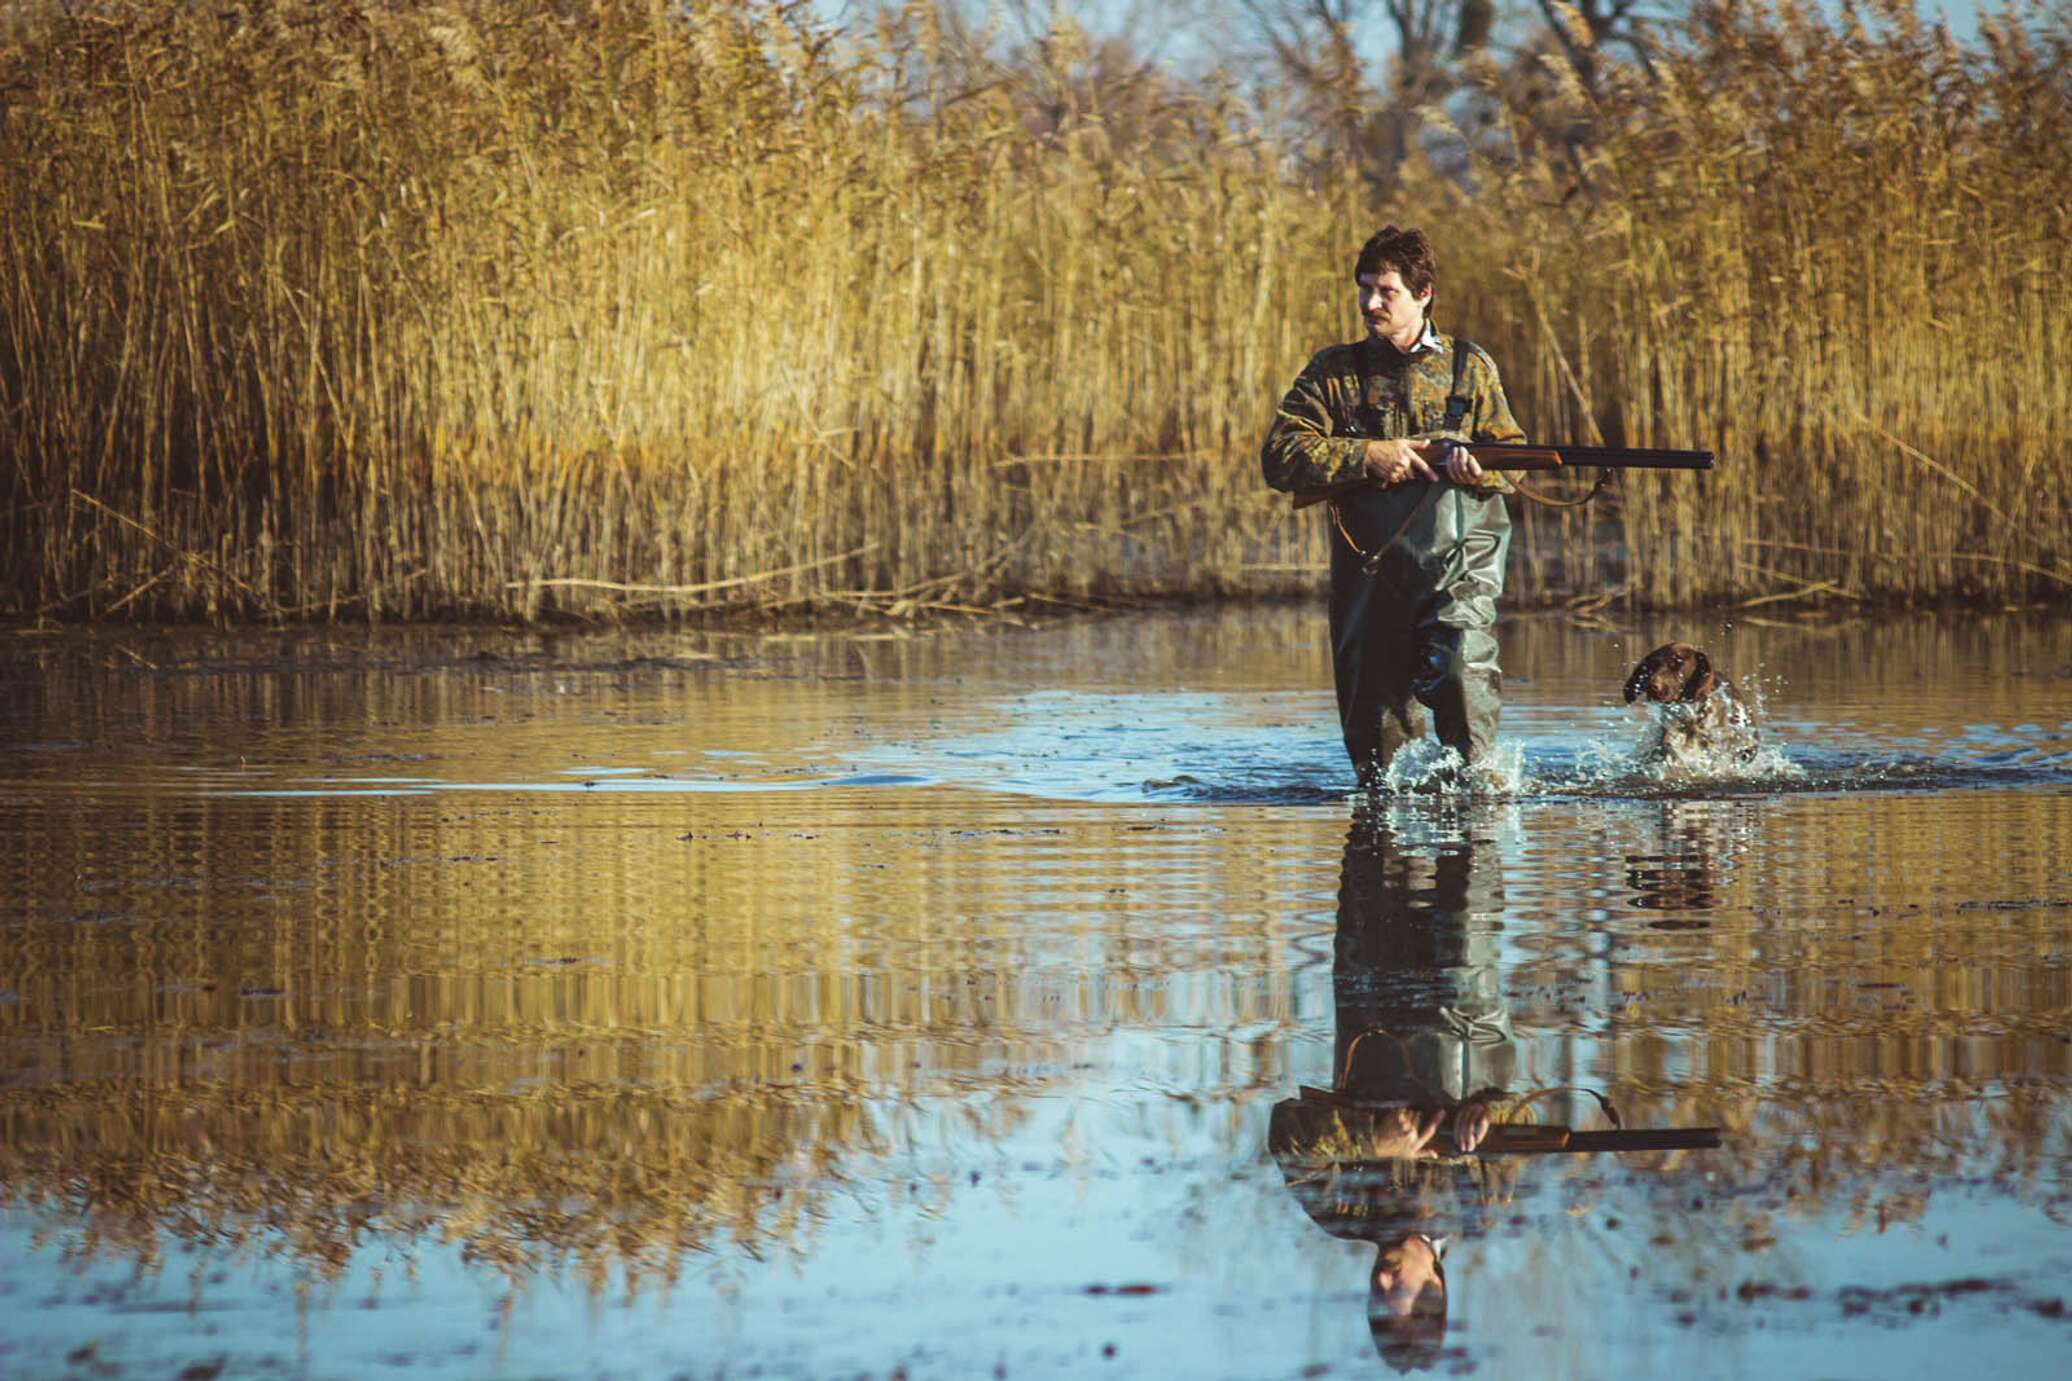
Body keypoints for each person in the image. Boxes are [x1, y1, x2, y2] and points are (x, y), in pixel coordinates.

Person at [1261, 226, 1528, 786]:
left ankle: (1476, 817)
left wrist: (1483, 467)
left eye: (1386, 291)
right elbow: (1280, 456)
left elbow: (1517, 457)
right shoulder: (1334, 371)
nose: (1370, 304)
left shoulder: (1468, 367)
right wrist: (1369, 456)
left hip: (1458, 567)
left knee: (1461, 675)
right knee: (1379, 751)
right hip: (1371, 575)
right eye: (1364, 289)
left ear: (1424, 293)